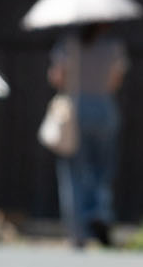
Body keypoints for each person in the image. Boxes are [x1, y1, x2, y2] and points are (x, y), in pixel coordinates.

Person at [48, 22, 127, 248]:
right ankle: (99, 212)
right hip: (104, 109)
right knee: (102, 170)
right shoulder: (113, 47)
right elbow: (115, 81)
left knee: (73, 172)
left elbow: (58, 78)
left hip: (75, 110)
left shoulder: (68, 46)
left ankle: (77, 232)